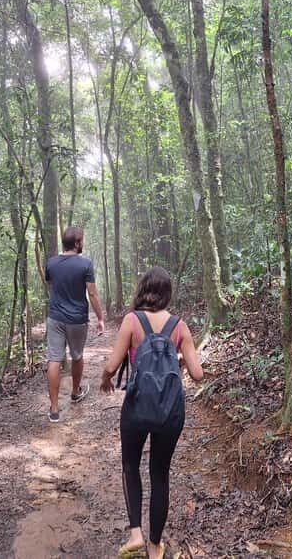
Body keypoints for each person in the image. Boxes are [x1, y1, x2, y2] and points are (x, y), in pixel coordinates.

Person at [100, 266, 203, 559]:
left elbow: (112, 364)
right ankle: (155, 546)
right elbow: (198, 373)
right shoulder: (180, 326)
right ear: (167, 294)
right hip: (171, 412)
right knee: (160, 473)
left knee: (130, 466)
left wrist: (105, 379)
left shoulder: (132, 321)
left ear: (143, 290)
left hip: (136, 408)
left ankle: (135, 534)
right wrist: (179, 359)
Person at [45, 226, 105, 422]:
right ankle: (75, 391)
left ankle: (54, 409)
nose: (83, 243)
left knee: (54, 359)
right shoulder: (85, 264)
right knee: (77, 355)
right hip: (77, 319)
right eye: (82, 240)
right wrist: (100, 318)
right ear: (77, 243)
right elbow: (93, 293)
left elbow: (50, 284)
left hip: (55, 318)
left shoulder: (51, 263)